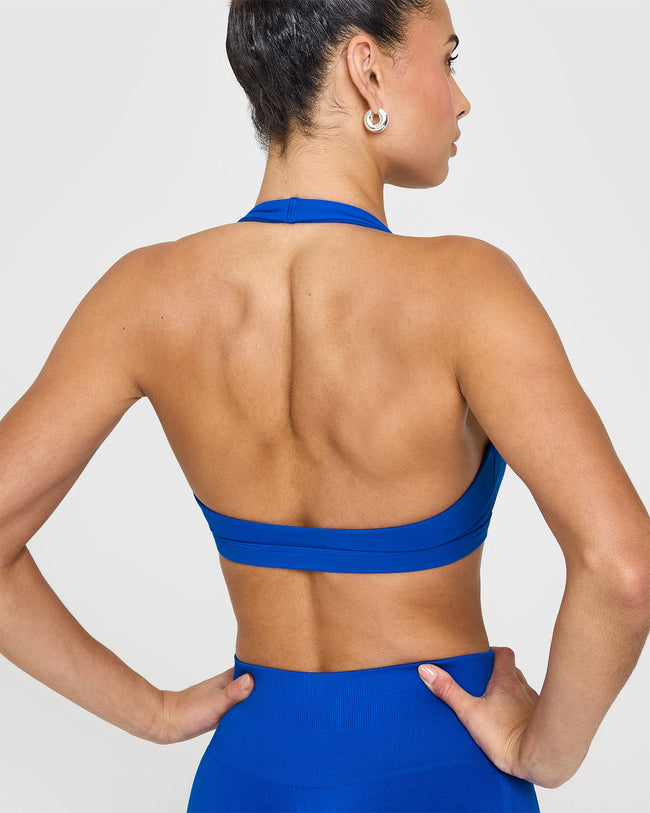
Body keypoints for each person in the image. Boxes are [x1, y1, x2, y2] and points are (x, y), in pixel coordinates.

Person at [0, 0, 648, 811]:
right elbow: (622, 568)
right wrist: (541, 751)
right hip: (440, 770)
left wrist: (154, 712)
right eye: (447, 59)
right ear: (367, 69)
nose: (461, 99)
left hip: (248, 773)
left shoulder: (144, 296)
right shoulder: (467, 291)